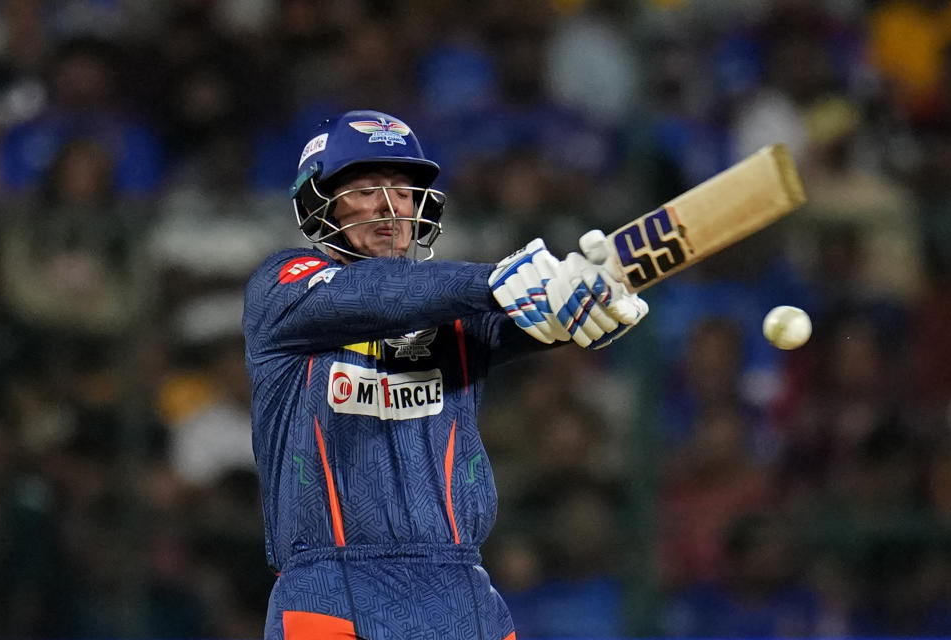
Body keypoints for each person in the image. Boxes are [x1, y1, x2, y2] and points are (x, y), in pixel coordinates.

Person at [242, 109, 649, 639]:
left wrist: (579, 306)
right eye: (366, 189)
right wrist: (496, 280)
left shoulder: (451, 304)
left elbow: (522, 320)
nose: (390, 208)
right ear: (321, 203)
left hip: (461, 593)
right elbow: (376, 293)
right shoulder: (283, 287)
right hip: (332, 590)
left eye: (404, 192)